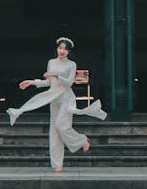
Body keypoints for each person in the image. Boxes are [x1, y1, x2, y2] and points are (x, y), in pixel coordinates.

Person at [6, 36, 107, 172]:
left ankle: (82, 140)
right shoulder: (51, 62)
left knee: (61, 126)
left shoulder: (72, 64)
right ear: (57, 48)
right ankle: (57, 164)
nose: (62, 51)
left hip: (66, 98)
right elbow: (48, 83)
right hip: (54, 99)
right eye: (60, 48)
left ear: (69, 51)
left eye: (65, 49)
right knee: (54, 132)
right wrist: (31, 82)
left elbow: (69, 83)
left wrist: (56, 75)